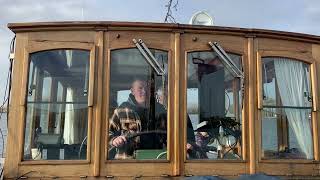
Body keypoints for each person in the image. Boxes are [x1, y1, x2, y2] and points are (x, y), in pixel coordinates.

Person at [108, 79, 166, 159]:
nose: (144, 91)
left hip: (158, 160)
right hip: (127, 164)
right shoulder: (121, 111)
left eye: (147, 88)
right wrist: (115, 140)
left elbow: (172, 135)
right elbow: (106, 134)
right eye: (140, 88)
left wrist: (185, 143)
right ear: (132, 91)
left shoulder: (162, 111)